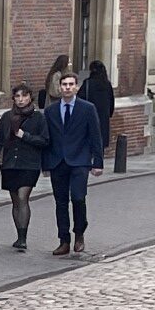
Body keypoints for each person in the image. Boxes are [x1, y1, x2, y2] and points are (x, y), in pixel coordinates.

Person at [42, 68, 105, 257]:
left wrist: (98, 162)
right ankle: (64, 240)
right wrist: (45, 164)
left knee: (78, 197)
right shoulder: (51, 111)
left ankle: (79, 233)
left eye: (71, 85)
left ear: (76, 87)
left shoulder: (87, 108)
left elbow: (95, 136)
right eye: (64, 85)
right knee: (60, 202)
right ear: (59, 87)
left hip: (80, 160)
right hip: (58, 161)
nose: (67, 88)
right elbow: (47, 139)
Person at [0, 80, 48, 251]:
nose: (21, 99)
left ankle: (23, 238)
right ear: (13, 98)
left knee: (22, 197)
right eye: (17, 96)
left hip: (29, 164)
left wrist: (25, 136)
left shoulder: (38, 118)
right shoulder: (7, 117)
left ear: (30, 98)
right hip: (10, 164)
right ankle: (19, 234)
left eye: (24, 96)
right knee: (15, 201)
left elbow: (44, 141)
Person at [79, 57, 116, 169]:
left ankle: (88, 161)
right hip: (103, 117)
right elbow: (111, 101)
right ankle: (99, 161)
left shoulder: (88, 83)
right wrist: (109, 113)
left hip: (90, 115)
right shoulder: (107, 84)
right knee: (100, 140)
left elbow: (80, 98)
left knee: (89, 138)